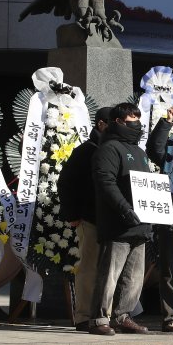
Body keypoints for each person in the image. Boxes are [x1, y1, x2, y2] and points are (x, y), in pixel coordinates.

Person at [87, 103, 153, 336]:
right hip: (117, 224)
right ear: (117, 122)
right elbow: (106, 183)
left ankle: (123, 316)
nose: (136, 124)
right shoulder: (109, 149)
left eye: (138, 119)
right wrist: (125, 209)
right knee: (109, 276)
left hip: (141, 225)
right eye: (130, 120)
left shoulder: (140, 153)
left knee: (134, 278)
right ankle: (99, 319)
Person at [58, 106, 111, 331]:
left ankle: (104, 314)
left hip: (110, 219)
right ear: (101, 124)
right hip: (89, 218)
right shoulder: (86, 150)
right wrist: (72, 215)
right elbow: (66, 182)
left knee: (106, 269)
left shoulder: (113, 148)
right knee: (89, 267)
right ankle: (84, 315)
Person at [145, 105, 173, 333]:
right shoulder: (171, 146)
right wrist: (166, 121)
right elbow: (154, 149)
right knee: (170, 266)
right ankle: (171, 317)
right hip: (171, 211)